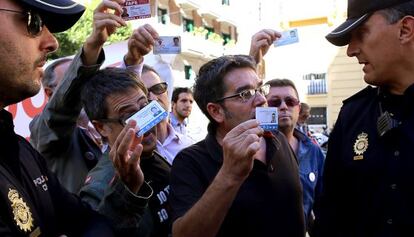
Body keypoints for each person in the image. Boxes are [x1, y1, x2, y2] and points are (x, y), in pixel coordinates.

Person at [0, 0, 125, 235]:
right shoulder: (45, 135)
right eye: (32, 21)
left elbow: (87, 221)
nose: (52, 42)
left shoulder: (21, 150)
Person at [169, 55, 305, 237]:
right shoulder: (189, 162)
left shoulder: (278, 139)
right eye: (245, 94)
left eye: (260, 89)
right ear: (216, 111)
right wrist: (229, 175)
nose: (261, 100)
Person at [313, 0, 414, 236]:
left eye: (361, 33)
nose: (351, 50)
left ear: (405, 30)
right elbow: (330, 215)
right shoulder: (352, 115)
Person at [79, 67, 172, 237]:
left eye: (145, 107)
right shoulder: (99, 188)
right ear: (102, 127)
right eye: (129, 117)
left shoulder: (151, 153)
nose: (146, 124)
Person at [30, 57, 104, 194]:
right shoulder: (44, 128)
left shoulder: (101, 121)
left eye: (88, 81)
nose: (85, 88)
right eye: (72, 84)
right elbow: (58, 116)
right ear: (50, 93)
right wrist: (90, 54)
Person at [122, 24, 193, 165]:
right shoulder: (128, 152)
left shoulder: (190, 146)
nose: (153, 98)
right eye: (145, 93)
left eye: (158, 88)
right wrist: (132, 61)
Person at [265, 79, 325, 233]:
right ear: (263, 107)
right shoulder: (252, 149)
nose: (284, 107)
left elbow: (322, 206)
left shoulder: (314, 151)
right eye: (275, 102)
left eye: (290, 101)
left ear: (298, 108)